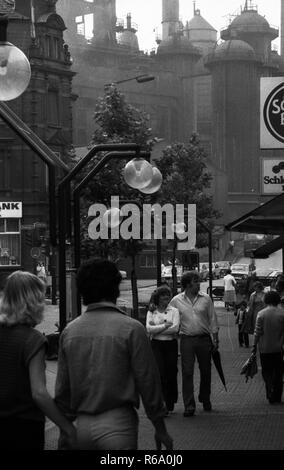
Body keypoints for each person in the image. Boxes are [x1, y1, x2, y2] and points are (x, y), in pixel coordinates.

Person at [55, 258, 173, 450]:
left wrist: (64, 430)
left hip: (80, 424)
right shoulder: (132, 328)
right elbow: (148, 381)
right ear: (116, 289)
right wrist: (159, 426)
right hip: (119, 423)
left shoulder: (69, 332)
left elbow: (63, 389)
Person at [0, 271, 76, 450]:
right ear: (33, 302)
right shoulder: (32, 340)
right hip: (22, 426)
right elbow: (39, 393)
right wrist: (67, 427)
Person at [169, 271, 219, 417]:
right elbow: (168, 314)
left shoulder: (206, 298)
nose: (199, 284)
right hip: (187, 340)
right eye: (196, 281)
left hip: (204, 339)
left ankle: (205, 397)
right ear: (187, 284)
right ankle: (189, 405)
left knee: (206, 370)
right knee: (187, 372)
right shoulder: (176, 300)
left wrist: (216, 339)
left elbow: (213, 319)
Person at [146, 285, 180, 414]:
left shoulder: (174, 311)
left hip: (170, 345)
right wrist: (166, 325)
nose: (166, 297)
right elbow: (148, 329)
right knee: (159, 373)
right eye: (163, 295)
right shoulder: (151, 311)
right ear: (158, 298)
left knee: (171, 372)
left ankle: (170, 402)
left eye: (168, 294)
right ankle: (161, 403)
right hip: (156, 345)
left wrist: (158, 328)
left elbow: (175, 328)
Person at [251, 291, 284, 404]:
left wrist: (254, 345)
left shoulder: (261, 314)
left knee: (267, 371)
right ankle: (277, 395)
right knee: (279, 372)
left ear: (266, 300)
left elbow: (257, 332)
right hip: (279, 348)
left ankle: (269, 390)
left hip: (264, 348)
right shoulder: (282, 313)